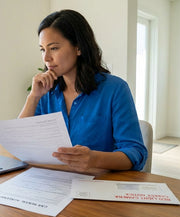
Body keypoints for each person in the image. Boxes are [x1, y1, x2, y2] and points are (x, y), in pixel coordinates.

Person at [19, 9, 147, 173]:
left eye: (54, 48)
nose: (46, 58)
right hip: (53, 181)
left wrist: (94, 159)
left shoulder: (115, 89)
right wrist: (33, 97)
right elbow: (21, 144)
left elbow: (136, 153)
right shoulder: (45, 92)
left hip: (97, 185)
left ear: (78, 48)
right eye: (42, 49)